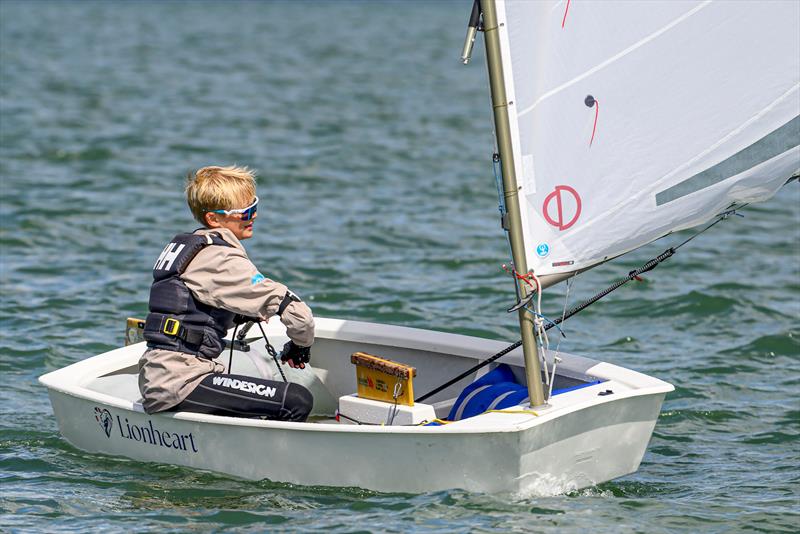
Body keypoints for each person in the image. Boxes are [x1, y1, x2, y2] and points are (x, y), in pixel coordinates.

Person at [138, 165, 314, 421]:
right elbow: (298, 314)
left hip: (163, 374)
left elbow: (198, 308)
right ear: (214, 219)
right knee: (297, 400)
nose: (253, 216)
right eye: (246, 212)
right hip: (181, 381)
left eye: (255, 206)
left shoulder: (195, 248)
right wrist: (301, 346)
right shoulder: (220, 258)